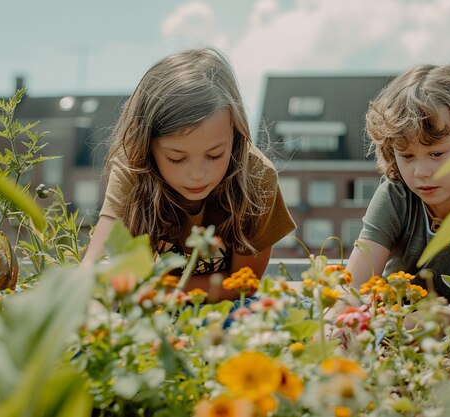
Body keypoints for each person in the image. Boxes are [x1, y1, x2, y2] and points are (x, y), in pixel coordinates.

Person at [83, 47, 296, 301]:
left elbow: (244, 284)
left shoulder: (257, 177)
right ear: (147, 146)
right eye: (177, 158)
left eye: (215, 155)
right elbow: (99, 261)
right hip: (146, 310)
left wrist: (158, 292)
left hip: (219, 311)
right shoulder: (133, 168)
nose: (197, 174)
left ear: (236, 135)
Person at [345, 64, 450, 329]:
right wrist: (340, 323)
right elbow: (353, 289)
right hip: (401, 344)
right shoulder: (396, 195)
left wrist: (434, 321)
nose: (421, 172)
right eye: (406, 156)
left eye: (437, 154)